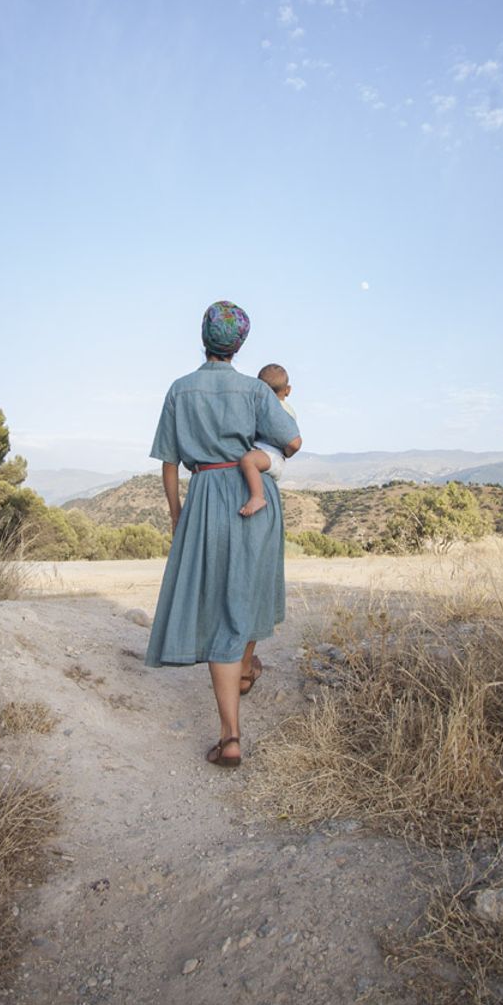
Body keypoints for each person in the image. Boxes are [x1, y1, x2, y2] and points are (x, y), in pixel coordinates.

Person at [145, 301, 302, 769]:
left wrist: (178, 514)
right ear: (240, 344)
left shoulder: (180, 390)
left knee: (218, 608)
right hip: (256, 501)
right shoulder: (255, 390)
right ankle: (244, 669)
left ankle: (230, 735)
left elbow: (169, 463)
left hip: (207, 496)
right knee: (248, 591)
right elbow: (291, 442)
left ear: (204, 338)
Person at [239, 363, 297, 517]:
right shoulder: (283, 407)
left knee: (247, 461)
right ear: (288, 390)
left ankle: (258, 497)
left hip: (271, 456)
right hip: (268, 453)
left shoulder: (280, 410)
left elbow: (292, 442)